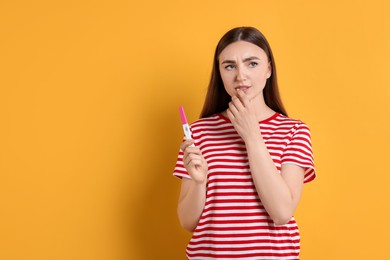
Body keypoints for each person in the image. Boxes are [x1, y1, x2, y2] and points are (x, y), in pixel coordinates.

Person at [173, 26, 316, 260]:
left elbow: (281, 212)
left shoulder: (294, 131)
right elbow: (188, 222)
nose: (241, 75)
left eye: (252, 63)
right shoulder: (198, 132)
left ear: (268, 69)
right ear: (220, 73)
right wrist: (199, 183)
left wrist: (252, 136)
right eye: (229, 66)